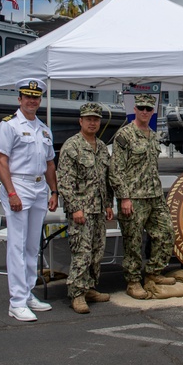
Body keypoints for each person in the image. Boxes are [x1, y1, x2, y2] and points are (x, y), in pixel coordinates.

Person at [0, 78, 58, 322]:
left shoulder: (43, 128)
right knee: (17, 245)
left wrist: (54, 191)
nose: (32, 100)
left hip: (39, 186)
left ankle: (28, 292)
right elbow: (1, 161)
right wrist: (11, 193)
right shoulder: (9, 126)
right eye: (27, 96)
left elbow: (50, 163)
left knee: (33, 245)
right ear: (19, 99)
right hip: (18, 184)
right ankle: (16, 301)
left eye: (36, 97)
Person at [109, 94, 176, 299]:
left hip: (154, 196)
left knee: (166, 233)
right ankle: (133, 281)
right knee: (133, 242)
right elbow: (115, 170)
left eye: (149, 109)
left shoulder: (153, 135)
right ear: (135, 110)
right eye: (141, 108)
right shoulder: (125, 135)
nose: (145, 111)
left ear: (153, 112)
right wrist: (124, 198)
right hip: (134, 198)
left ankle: (154, 273)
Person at [58, 102, 114, 314]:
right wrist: (75, 208)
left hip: (98, 209)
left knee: (97, 251)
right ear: (80, 121)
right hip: (81, 210)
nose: (92, 122)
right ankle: (77, 294)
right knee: (81, 252)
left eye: (96, 119)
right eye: (88, 119)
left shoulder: (101, 147)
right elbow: (64, 181)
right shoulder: (72, 147)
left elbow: (106, 180)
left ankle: (89, 287)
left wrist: (108, 204)